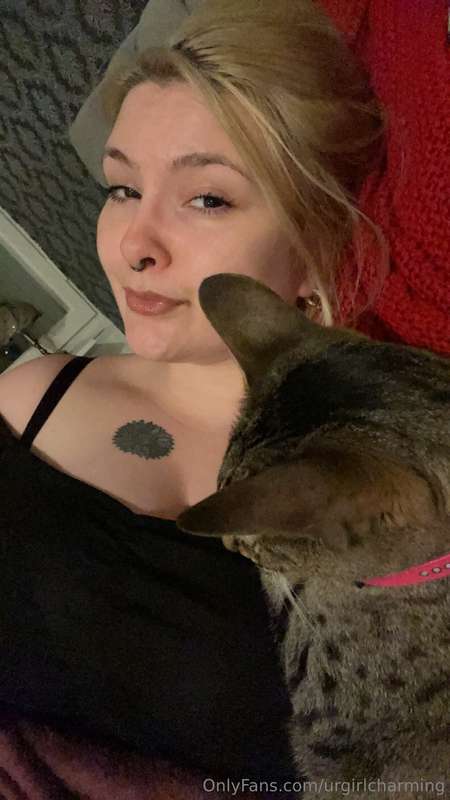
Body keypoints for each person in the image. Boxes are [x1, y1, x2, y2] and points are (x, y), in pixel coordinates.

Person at [0, 0, 448, 797]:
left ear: (315, 247)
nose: (133, 245)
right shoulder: (25, 394)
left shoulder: (392, 497)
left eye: (207, 198)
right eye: (121, 188)